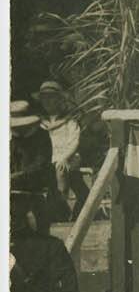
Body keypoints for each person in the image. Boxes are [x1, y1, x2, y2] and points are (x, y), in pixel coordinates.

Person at [33, 82, 84, 222]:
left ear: (59, 99)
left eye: (51, 97)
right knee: (50, 183)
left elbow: (74, 142)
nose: (47, 101)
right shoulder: (40, 122)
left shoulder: (69, 121)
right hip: (47, 160)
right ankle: (59, 209)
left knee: (61, 170)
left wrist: (64, 158)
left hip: (68, 158)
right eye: (44, 98)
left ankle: (67, 206)